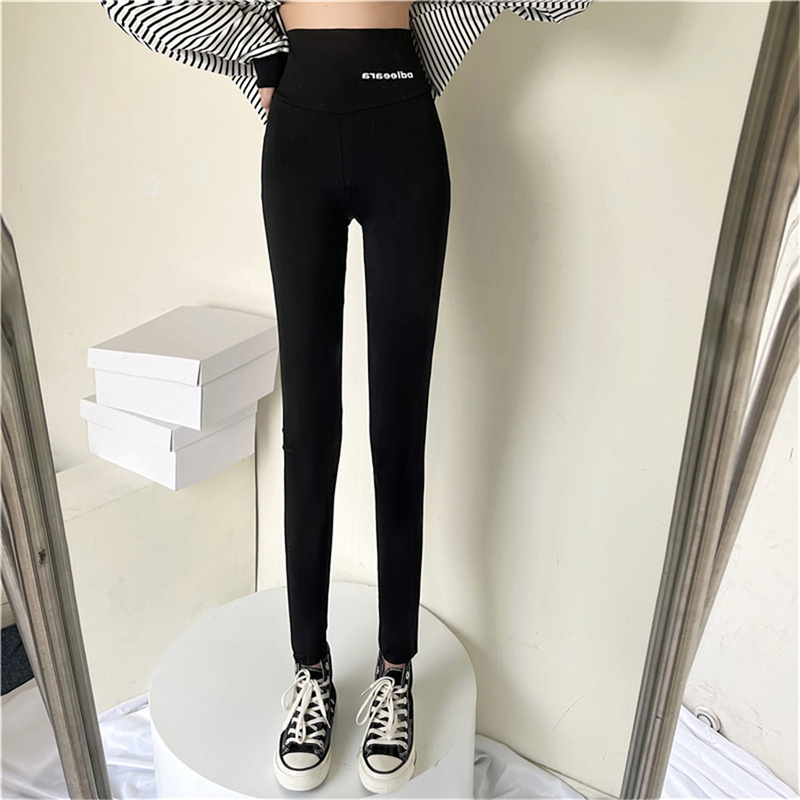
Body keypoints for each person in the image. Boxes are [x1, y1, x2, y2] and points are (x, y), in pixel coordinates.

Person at [97, 0, 597, 793]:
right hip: (299, 133)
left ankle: (395, 671)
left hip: (401, 123)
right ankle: (311, 670)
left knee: (399, 422)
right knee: (309, 426)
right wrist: (262, 57)